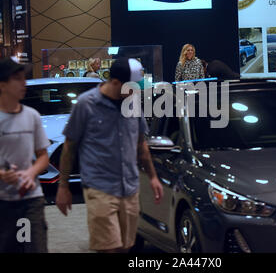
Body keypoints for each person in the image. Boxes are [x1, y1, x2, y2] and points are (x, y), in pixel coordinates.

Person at [55, 57, 164, 253]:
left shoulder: (132, 104)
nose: (135, 92)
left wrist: (153, 177)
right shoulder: (85, 104)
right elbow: (69, 147)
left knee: (125, 247)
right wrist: (63, 186)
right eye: (132, 87)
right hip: (99, 188)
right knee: (108, 249)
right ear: (115, 83)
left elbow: (141, 144)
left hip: (130, 188)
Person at [0, 57, 50, 253]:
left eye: (24, 78)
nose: (24, 83)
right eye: (18, 79)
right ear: (3, 85)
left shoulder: (32, 116)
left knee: (34, 247)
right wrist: (2, 174)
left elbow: (43, 156)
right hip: (2, 201)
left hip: (31, 199)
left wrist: (31, 173)